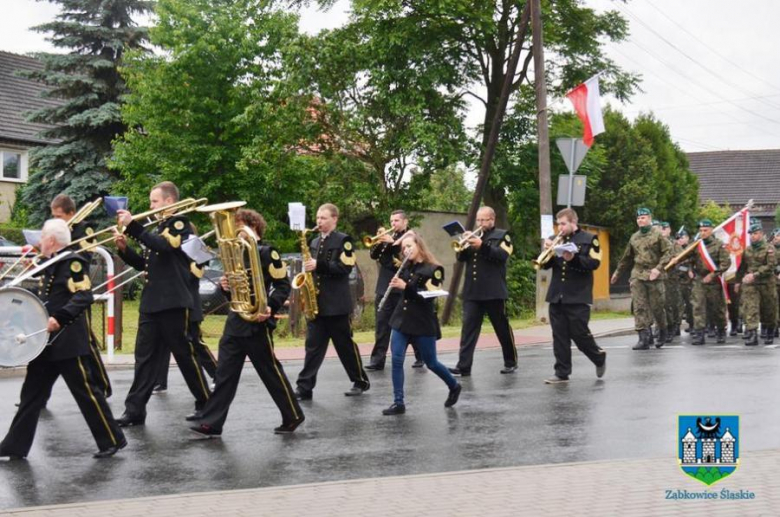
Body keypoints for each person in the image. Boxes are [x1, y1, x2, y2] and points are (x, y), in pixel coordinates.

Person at [0, 219, 125, 460]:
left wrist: (60, 317)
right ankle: (15, 445)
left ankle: (112, 439)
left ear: (52, 240)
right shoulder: (51, 263)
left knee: (86, 393)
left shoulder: (73, 263)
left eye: (43, 236)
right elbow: (44, 297)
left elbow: (84, 295)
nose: (39, 241)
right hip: (45, 342)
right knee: (31, 395)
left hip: (67, 340)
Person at [190, 209, 304, 437]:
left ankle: (292, 414)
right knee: (224, 374)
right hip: (236, 321)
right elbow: (232, 294)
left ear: (253, 226)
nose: (235, 231)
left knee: (270, 372)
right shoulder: (235, 255)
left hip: (257, 323)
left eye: (239, 225)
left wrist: (269, 306)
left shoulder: (266, 252)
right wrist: (225, 286)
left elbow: (283, 285)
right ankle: (211, 423)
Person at [113, 181, 211, 426]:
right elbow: (145, 265)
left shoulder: (180, 224)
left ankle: (206, 402)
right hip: (152, 303)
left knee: (185, 356)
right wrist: (124, 249)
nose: (151, 206)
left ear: (169, 201)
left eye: (154, 201)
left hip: (173, 302)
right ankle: (134, 410)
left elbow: (164, 247)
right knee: (144, 358)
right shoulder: (158, 227)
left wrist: (133, 226)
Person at [295, 203, 370, 400]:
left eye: (324, 218)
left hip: (336, 304)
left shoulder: (344, 240)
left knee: (344, 346)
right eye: (318, 218)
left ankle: (360, 381)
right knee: (312, 347)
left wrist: (318, 265)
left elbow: (345, 268)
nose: (319, 221)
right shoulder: (313, 241)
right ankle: (304, 388)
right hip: (317, 304)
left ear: (334, 219)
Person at [382, 232, 461, 415]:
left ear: (420, 246)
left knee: (431, 362)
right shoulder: (405, 267)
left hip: (422, 321)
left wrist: (405, 287)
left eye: (410, 246)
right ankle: (398, 402)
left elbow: (427, 297)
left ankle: (454, 385)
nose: (406, 250)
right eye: (404, 248)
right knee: (396, 359)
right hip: (401, 320)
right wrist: (395, 242)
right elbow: (386, 259)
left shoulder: (435, 269)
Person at [50, 194, 112, 397]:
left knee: (87, 342)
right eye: (54, 216)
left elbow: (87, 254)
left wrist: (66, 242)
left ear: (71, 213)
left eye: (60, 216)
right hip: (60, 290)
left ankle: (102, 385)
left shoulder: (84, 228)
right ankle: (41, 396)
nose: (57, 220)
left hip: (76, 284)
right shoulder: (59, 228)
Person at [449, 206, 517, 377]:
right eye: (478, 220)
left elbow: (502, 256)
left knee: (501, 327)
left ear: (492, 220)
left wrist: (482, 246)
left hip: (493, 291)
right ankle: (463, 366)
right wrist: (464, 244)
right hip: (473, 291)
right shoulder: (473, 237)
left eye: (483, 220)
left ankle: (510, 361)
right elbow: (461, 258)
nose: (480, 223)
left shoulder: (502, 235)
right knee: (468, 330)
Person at [541, 208, 606, 384]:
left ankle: (598, 357)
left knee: (579, 334)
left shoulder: (590, 239)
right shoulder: (555, 240)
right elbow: (545, 266)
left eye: (563, 224)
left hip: (578, 295)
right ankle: (562, 372)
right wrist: (547, 251)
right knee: (559, 335)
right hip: (557, 295)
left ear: (573, 223)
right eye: (558, 224)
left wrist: (573, 259)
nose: (559, 228)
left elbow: (594, 263)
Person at [153, 224, 217, 394]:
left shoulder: (194, 249)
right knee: (163, 343)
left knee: (195, 342)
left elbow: (196, 273)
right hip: (169, 303)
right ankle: (160, 381)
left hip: (189, 302)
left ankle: (217, 374)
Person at [366, 210, 423, 370]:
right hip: (385, 286)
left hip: (403, 286)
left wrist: (393, 243)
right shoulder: (387, 238)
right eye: (391, 221)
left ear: (405, 221)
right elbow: (376, 256)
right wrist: (380, 243)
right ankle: (377, 361)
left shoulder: (411, 238)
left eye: (397, 221)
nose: (393, 224)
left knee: (408, 323)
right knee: (381, 325)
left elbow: (408, 260)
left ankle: (421, 356)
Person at [611, 208, 672, 350]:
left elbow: (668, 252)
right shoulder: (634, 237)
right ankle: (643, 338)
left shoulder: (658, 235)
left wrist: (658, 268)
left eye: (643, 218)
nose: (640, 220)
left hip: (654, 275)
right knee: (639, 307)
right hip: (638, 275)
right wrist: (617, 273)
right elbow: (626, 258)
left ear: (650, 218)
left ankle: (662, 330)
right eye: (638, 218)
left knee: (657, 307)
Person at [688, 219, 730, 345]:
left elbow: (725, 263)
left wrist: (712, 275)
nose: (703, 233)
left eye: (705, 230)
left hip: (714, 280)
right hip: (699, 279)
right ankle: (699, 334)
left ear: (711, 230)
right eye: (700, 231)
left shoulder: (719, 245)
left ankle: (721, 331)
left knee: (718, 308)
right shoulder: (696, 245)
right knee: (698, 306)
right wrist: (690, 269)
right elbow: (690, 259)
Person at [736, 223, 777, 346]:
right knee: (750, 308)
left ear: (761, 234)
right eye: (751, 234)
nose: (752, 236)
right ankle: (752, 334)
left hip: (766, 284)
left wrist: (755, 275)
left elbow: (770, 266)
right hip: (751, 285)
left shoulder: (769, 249)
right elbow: (742, 267)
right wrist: (738, 282)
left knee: (768, 309)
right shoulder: (747, 250)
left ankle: (770, 331)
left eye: (755, 234)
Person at [660, 222, 681, 341]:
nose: (662, 230)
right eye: (661, 228)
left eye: (665, 228)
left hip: (670, 278)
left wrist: (674, 260)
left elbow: (680, 257)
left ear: (669, 230)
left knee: (670, 303)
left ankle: (672, 326)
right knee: (659, 305)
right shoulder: (655, 243)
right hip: (657, 277)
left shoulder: (674, 244)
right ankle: (661, 328)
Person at [675, 230, 695, 333]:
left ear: (687, 237)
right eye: (678, 238)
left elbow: (692, 263)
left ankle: (692, 324)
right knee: (678, 305)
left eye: (682, 238)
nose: (680, 240)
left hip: (689, 282)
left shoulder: (691, 249)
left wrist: (688, 269)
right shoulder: (677, 249)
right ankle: (677, 326)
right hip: (678, 281)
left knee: (690, 304)